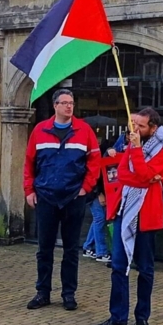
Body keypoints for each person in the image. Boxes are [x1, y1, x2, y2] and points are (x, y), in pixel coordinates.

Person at [92, 108, 163, 325]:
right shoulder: (129, 146)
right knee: (118, 267)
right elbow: (124, 175)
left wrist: (138, 156)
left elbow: (145, 175)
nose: (134, 130)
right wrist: (144, 172)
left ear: (153, 128)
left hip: (147, 216)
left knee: (145, 269)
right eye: (133, 124)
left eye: (140, 126)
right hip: (124, 212)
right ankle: (118, 316)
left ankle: (142, 318)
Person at [24, 89, 101, 311]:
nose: (69, 106)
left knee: (70, 249)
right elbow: (29, 163)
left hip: (72, 197)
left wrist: (85, 188)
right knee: (44, 248)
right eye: (64, 103)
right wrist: (29, 190)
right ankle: (42, 292)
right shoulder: (40, 130)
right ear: (55, 105)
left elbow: (94, 162)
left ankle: (69, 293)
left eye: (72, 103)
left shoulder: (84, 130)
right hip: (46, 196)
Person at [83, 134, 123, 264]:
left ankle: (88, 247)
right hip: (94, 193)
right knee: (100, 219)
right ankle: (101, 252)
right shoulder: (101, 157)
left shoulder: (103, 155)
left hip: (95, 193)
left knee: (98, 220)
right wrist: (99, 193)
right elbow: (96, 177)